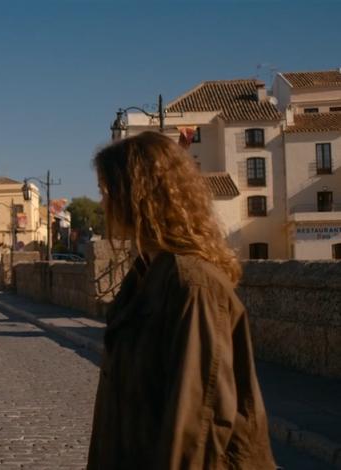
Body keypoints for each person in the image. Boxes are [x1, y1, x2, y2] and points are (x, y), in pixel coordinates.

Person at [87, 131, 276, 469]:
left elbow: (198, 423)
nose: (103, 204)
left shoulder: (193, 286)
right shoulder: (146, 275)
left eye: (107, 192)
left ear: (139, 196)